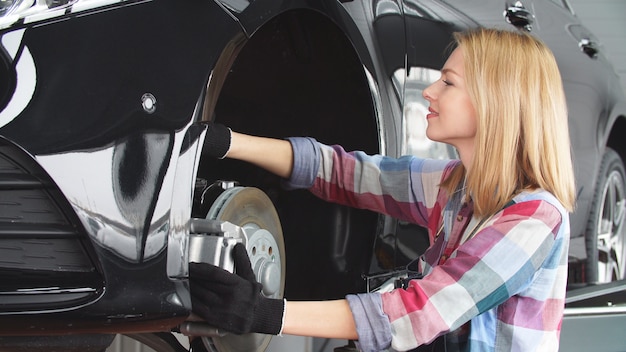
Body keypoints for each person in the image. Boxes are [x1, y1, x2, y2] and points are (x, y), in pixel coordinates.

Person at [189, 27, 576, 351]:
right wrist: (227, 142)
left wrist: (266, 314)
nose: (429, 91)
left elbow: (422, 310)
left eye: (448, 82)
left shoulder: (537, 218)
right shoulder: (456, 187)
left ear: (496, 103)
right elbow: (346, 174)